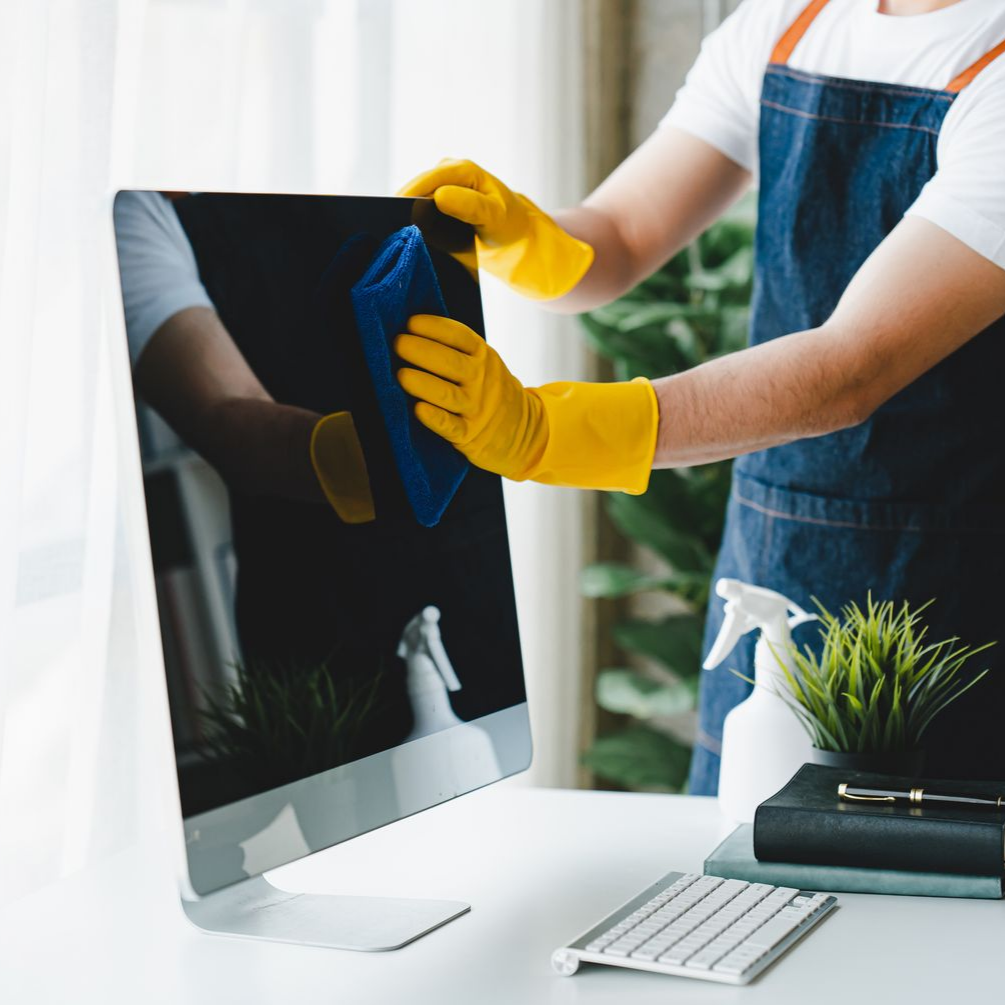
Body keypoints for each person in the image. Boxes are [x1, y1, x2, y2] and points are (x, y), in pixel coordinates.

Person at [392, 0, 1005, 790]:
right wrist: (526, 238)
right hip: (769, 558)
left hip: (946, 587)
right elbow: (618, 236)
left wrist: (548, 432)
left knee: (908, 892)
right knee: (734, 876)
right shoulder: (790, 22)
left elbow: (852, 368)